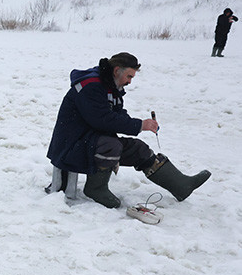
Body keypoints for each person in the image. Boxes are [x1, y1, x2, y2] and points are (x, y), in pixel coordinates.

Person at [47, 52, 210, 208]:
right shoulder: (91, 86)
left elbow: (117, 114)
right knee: (111, 146)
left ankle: (181, 186)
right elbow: (102, 120)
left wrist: (139, 124)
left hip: (90, 140)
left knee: (139, 149)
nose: (130, 81)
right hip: (71, 145)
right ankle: (95, 189)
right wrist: (139, 125)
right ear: (117, 70)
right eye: (129, 76)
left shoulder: (110, 86)